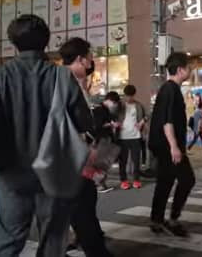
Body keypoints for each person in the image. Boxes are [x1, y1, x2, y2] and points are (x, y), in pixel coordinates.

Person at [0, 15, 91, 256]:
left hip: (10, 172)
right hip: (53, 171)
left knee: (7, 242)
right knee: (52, 241)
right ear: (46, 41)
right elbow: (84, 122)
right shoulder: (62, 76)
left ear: (13, 43)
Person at [59, 37, 114, 257]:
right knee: (81, 206)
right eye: (90, 57)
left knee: (86, 201)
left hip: (77, 156)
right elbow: (73, 123)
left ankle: (89, 241)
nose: (93, 61)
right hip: (71, 158)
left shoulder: (72, 82)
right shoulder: (65, 82)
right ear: (81, 59)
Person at [149, 52, 195, 237]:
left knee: (165, 181)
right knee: (187, 179)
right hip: (168, 145)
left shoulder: (169, 89)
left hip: (164, 144)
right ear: (181, 69)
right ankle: (172, 219)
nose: (191, 70)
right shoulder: (170, 89)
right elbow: (167, 121)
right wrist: (174, 147)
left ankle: (156, 220)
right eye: (189, 67)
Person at [118, 84, 148, 190]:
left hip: (136, 135)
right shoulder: (120, 105)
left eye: (131, 96)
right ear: (125, 95)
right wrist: (117, 124)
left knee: (136, 159)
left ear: (134, 95)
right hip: (122, 136)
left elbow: (147, 115)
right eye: (127, 96)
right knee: (123, 160)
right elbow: (112, 115)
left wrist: (141, 122)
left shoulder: (138, 105)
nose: (129, 98)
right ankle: (124, 180)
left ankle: (136, 180)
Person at [93, 91, 122, 192]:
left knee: (104, 163)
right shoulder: (100, 110)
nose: (114, 105)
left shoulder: (105, 110)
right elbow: (98, 125)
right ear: (109, 100)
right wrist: (112, 124)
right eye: (114, 103)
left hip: (105, 138)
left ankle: (101, 183)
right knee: (101, 162)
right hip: (102, 138)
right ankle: (98, 185)